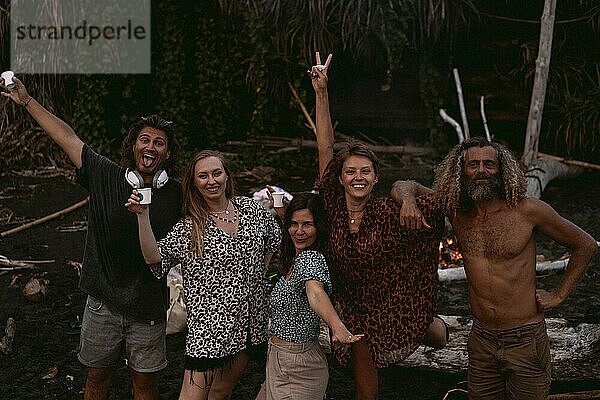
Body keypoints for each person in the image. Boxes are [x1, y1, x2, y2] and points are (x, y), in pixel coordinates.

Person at [1, 76, 182, 399]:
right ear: (133, 146)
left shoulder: (176, 193)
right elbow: (66, 137)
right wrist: (27, 100)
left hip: (149, 306)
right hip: (103, 302)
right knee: (97, 379)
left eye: (159, 142)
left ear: (167, 154)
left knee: (145, 385)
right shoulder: (106, 175)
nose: (150, 146)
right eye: (144, 140)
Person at [309, 53, 448, 399]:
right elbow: (325, 146)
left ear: (375, 178)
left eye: (365, 172)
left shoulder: (389, 211)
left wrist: (409, 196)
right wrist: (322, 92)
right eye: (350, 171)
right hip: (352, 305)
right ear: (339, 178)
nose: (357, 177)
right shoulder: (332, 207)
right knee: (361, 353)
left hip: (391, 300)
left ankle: (431, 325)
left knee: (437, 336)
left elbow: (443, 200)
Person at [427, 137, 597, 400]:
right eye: (473, 164)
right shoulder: (457, 212)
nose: (481, 171)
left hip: (525, 339)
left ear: (502, 169)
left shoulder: (528, 211)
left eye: (489, 164)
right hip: (481, 340)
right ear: (461, 170)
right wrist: (404, 196)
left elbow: (585, 244)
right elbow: (407, 187)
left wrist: (559, 295)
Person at [126, 150, 281, 400]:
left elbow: (274, 242)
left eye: (217, 173)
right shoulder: (191, 226)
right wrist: (143, 216)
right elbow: (154, 258)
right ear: (194, 184)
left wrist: (257, 279)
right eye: (203, 176)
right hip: (210, 329)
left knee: (220, 392)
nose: (212, 181)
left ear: (227, 176)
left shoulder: (251, 209)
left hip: (251, 324)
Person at [256, 193, 363, 400]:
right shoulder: (295, 256)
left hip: (298, 367)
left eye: (307, 225)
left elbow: (315, 293)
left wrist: (337, 327)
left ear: (319, 227)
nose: (299, 231)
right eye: (293, 224)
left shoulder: (310, 259)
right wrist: (283, 214)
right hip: (279, 359)